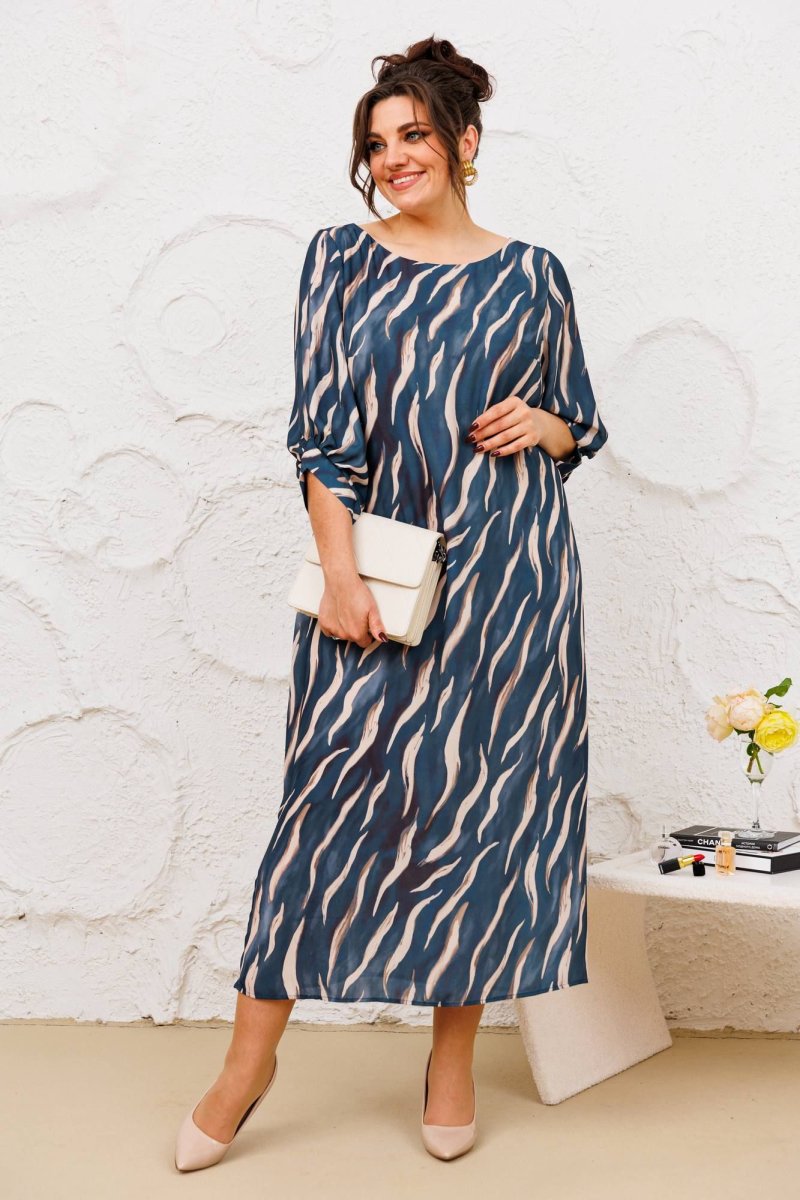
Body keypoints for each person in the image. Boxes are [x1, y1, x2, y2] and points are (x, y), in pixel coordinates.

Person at [174, 33, 609, 1172]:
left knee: (481, 814)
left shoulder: (533, 275)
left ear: (465, 142)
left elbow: (579, 422)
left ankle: (449, 1060)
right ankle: (247, 1065)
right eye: (377, 144)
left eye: (414, 135)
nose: (393, 158)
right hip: (375, 575)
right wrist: (338, 576)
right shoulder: (341, 260)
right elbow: (319, 436)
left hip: (512, 583)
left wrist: (546, 427)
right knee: (324, 811)